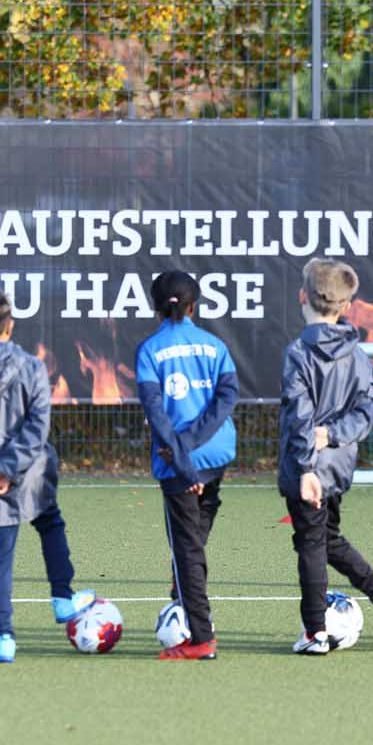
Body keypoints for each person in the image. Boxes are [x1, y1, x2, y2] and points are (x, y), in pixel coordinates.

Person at [0, 289, 95, 663]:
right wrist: (9, 471)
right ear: (9, 325)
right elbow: (37, 424)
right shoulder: (31, 366)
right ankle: (62, 597)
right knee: (50, 523)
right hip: (31, 472)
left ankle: (4, 639)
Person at [279, 259, 373, 654]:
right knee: (327, 540)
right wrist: (335, 436)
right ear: (347, 306)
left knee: (311, 545)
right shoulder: (357, 354)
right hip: (337, 467)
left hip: (307, 468)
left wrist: (307, 463)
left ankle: (314, 632)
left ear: (303, 296)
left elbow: (299, 414)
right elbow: (367, 410)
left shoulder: (298, 353)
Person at [135, 271, 239, 661]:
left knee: (187, 550)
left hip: (177, 462)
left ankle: (200, 638)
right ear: (195, 305)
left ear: (154, 306)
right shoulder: (214, 345)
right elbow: (227, 397)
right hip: (215, 454)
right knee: (197, 530)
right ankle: (183, 592)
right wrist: (195, 447)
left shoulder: (149, 350)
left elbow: (156, 414)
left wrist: (183, 457)